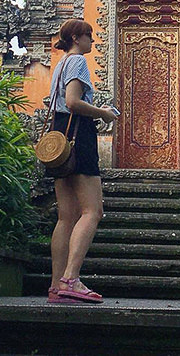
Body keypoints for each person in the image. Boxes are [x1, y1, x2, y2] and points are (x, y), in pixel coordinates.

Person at [47, 18, 117, 304]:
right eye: (90, 36)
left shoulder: (60, 64)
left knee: (66, 216)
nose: (93, 41)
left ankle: (56, 285)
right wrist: (102, 112)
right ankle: (71, 279)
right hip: (78, 135)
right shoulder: (77, 62)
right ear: (77, 37)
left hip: (58, 134)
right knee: (93, 211)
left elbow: (58, 102)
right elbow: (74, 102)